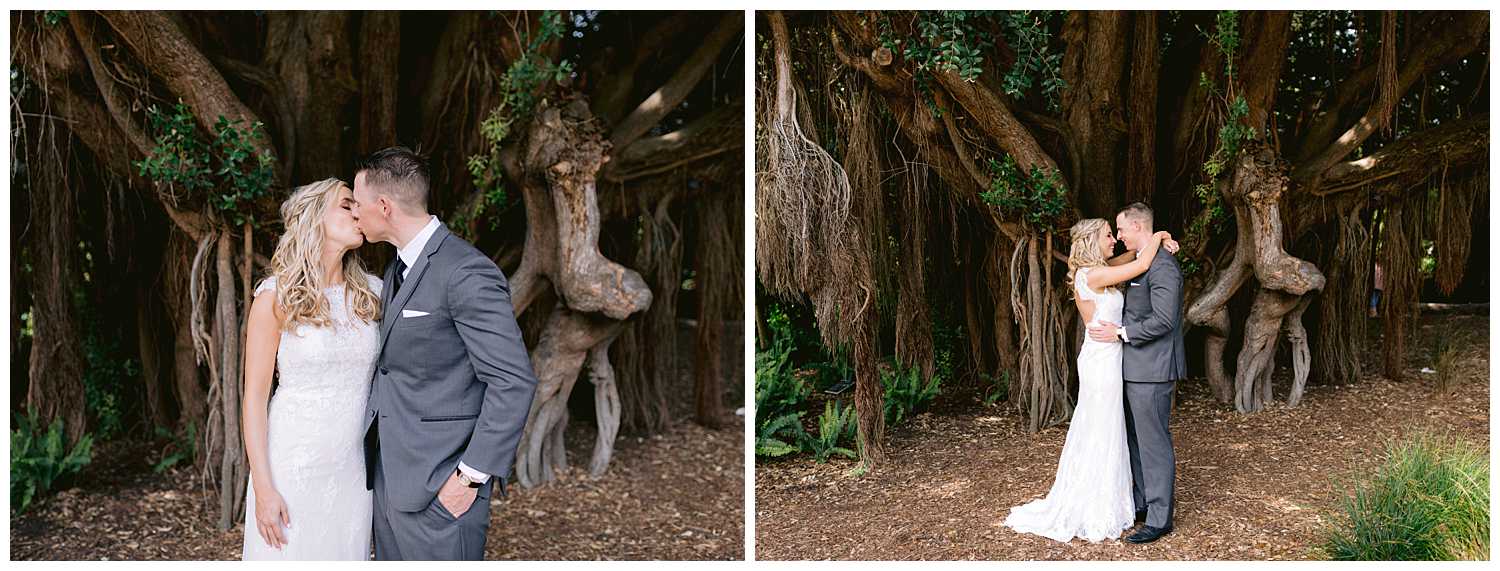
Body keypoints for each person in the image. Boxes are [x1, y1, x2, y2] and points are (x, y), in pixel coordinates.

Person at [351, 147, 539, 560]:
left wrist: (469, 478)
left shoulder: (465, 271)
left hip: (441, 487)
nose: (355, 214)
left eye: (358, 203)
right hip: (390, 481)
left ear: (384, 206)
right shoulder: (397, 267)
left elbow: (513, 381)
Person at [1003, 214, 1177, 543]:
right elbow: (1138, 267)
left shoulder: (1099, 271)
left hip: (1112, 358)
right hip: (1102, 362)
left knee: (1111, 428)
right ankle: (1096, 504)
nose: (1114, 240)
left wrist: (1154, 239)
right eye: (1108, 235)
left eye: (1116, 233)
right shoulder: (1092, 274)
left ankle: (1120, 499)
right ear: (1090, 242)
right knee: (1102, 429)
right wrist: (1159, 236)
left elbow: (1130, 258)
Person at [242, 178, 383, 560]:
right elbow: (254, 398)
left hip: (353, 470)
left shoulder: (373, 294)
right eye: (346, 204)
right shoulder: (275, 298)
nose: (359, 211)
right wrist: (264, 488)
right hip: (292, 466)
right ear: (314, 217)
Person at [1087, 202, 1188, 544]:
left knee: (1153, 442)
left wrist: (1121, 333)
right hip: (1131, 368)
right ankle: (1144, 503)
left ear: (1138, 227)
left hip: (1153, 369)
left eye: (1122, 230)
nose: (1119, 236)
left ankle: (1160, 518)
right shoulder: (1139, 261)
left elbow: (1164, 320)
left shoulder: (1163, 267)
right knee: (1134, 440)